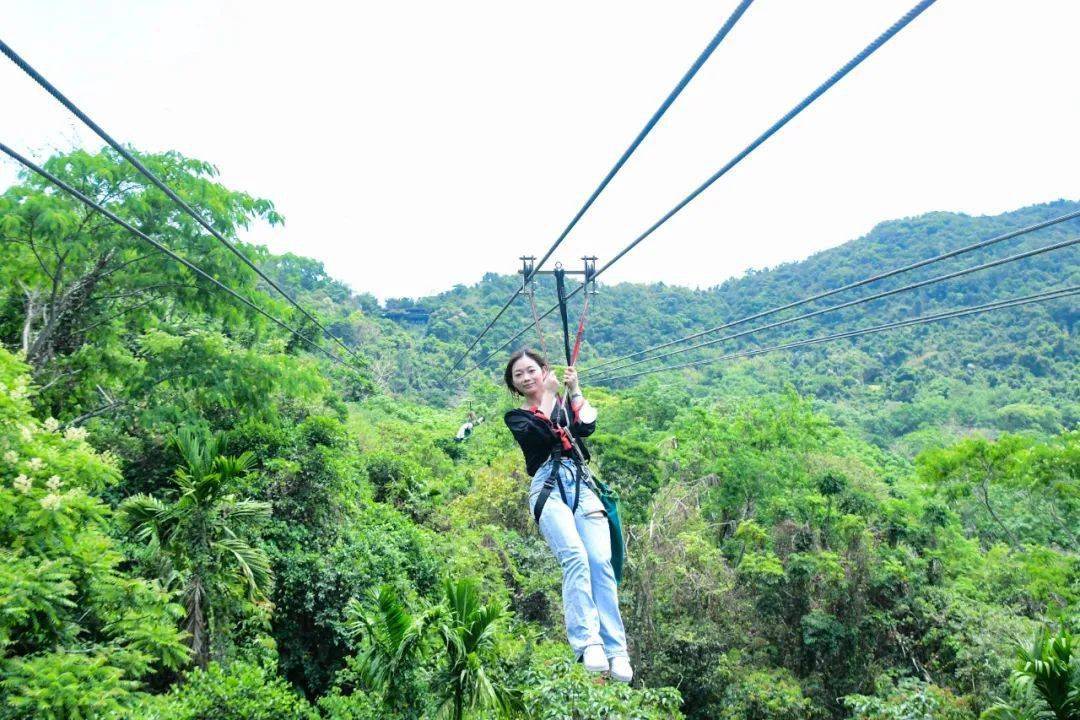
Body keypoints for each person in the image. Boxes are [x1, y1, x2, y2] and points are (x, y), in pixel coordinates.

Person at [502, 348, 632, 683]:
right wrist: (548, 392)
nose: (527, 377)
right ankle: (587, 641)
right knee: (574, 557)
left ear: (544, 370)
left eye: (532, 370)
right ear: (515, 385)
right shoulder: (517, 417)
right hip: (548, 487)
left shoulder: (561, 404)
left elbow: (587, 426)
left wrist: (574, 390)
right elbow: (541, 435)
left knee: (599, 561)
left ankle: (616, 650)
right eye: (520, 375)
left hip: (581, 483)